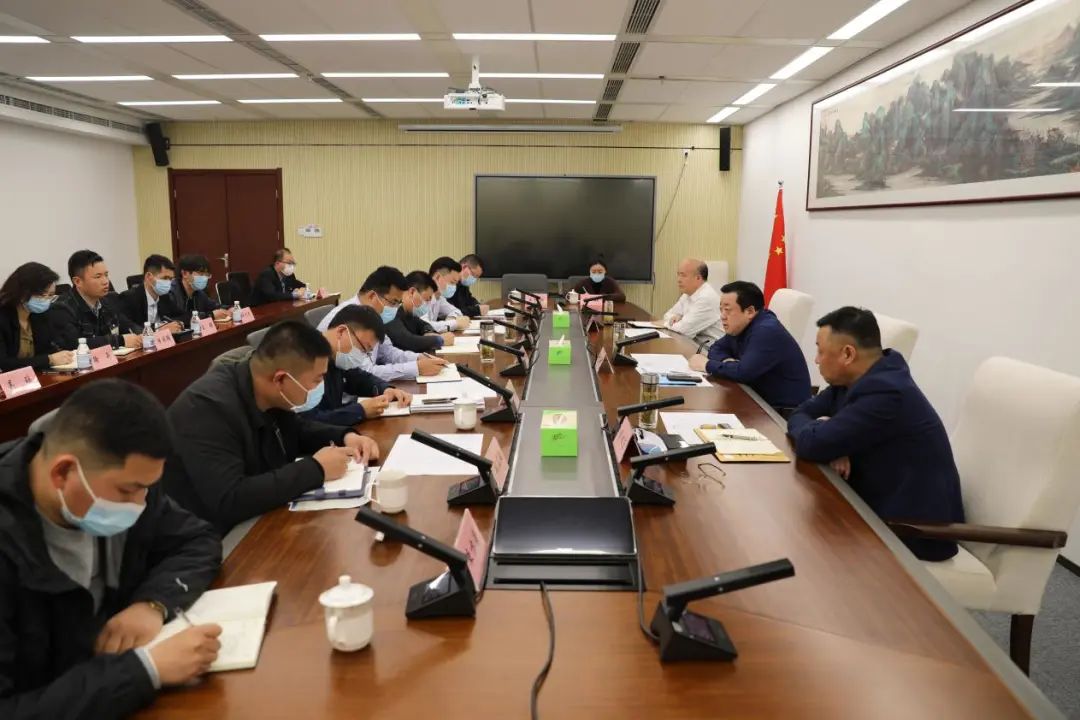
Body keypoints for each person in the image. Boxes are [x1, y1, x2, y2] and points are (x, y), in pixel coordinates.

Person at [0, 379, 224, 719]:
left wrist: (152, 604)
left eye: (147, 488)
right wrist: (145, 670)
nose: (140, 504)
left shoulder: (125, 480)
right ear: (63, 472)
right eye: (128, 491)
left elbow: (197, 540)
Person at [164, 320, 380, 534]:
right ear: (280, 379)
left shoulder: (264, 388)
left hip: (260, 515)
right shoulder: (206, 408)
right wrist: (317, 469)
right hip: (208, 535)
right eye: (317, 380)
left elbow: (297, 429)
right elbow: (231, 498)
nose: (320, 387)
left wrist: (345, 436)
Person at [786, 307, 965, 561]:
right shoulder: (854, 379)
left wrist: (828, 437)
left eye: (821, 351)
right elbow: (800, 413)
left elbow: (811, 443)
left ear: (848, 354)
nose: (816, 360)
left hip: (910, 531)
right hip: (870, 504)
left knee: (800, 543)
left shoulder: (887, 393)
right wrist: (830, 436)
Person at [688, 281, 810, 414]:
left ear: (750, 311)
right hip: (758, 400)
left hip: (782, 414)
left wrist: (707, 365)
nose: (722, 316)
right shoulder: (741, 325)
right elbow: (716, 348)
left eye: (727, 310)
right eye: (721, 310)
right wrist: (728, 362)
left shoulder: (766, 331)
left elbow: (743, 373)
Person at [317, 267, 447, 383]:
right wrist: (415, 368)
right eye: (393, 302)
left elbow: (387, 352)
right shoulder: (347, 318)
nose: (395, 309)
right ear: (372, 296)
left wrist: (418, 358)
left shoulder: (372, 316)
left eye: (398, 303)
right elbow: (365, 372)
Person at [49, 250, 141, 350]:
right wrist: (120, 340)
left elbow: (128, 325)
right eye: (98, 277)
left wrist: (142, 334)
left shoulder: (109, 300)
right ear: (78, 281)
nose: (106, 281)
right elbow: (76, 344)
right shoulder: (62, 308)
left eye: (106, 275)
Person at [0, 262, 73, 371]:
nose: (46, 300)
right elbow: (4, 363)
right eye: (43, 295)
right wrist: (49, 359)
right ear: (23, 293)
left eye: (51, 295)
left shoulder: (39, 315)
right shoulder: (3, 318)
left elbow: (46, 350)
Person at [384, 271, 456, 354]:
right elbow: (408, 341)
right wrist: (440, 340)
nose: (428, 304)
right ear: (412, 292)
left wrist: (428, 332)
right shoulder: (392, 312)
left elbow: (424, 325)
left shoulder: (409, 313)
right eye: (426, 299)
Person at [661, 258, 723, 345]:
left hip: (709, 349)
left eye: (683, 275)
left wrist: (669, 323)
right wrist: (677, 318)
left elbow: (683, 331)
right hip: (692, 344)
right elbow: (667, 315)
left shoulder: (706, 298)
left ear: (698, 278)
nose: (678, 279)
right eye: (678, 275)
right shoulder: (687, 294)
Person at [117, 255, 184, 333]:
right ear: (148, 277)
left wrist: (177, 323)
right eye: (165, 278)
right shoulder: (129, 298)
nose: (168, 283)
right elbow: (130, 328)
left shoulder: (164, 296)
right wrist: (159, 328)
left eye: (171, 279)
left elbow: (181, 315)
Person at [167, 254, 229, 326]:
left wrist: (230, 308)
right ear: (184, 273)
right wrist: (211, 315)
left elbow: (214, 306)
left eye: (207, 274)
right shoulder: (171, 292)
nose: (204, 278)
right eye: (201, 273)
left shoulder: (199, 293)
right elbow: (174, 319)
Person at [423, 257, 469, 333]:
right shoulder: (421, 295)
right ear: (437, 277)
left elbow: (456, 311)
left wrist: (451, 319)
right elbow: (425, 325)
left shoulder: (439, 297)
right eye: (452, 282)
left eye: (456, 284)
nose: (454, 287)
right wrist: (455, 323)